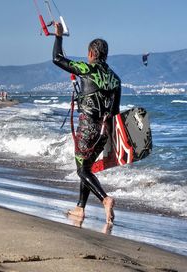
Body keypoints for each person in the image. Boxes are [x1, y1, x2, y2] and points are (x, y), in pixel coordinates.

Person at [52, 23, 121, 224]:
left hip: (88, 127)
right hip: (104, 131)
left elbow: (57, 58)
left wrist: (58, 37)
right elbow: (115, 111)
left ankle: (105, 199)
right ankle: (80, 208)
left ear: (91, 53)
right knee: (87, 167)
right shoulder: (116, 79)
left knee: (82, 170)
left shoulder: (86, 68)